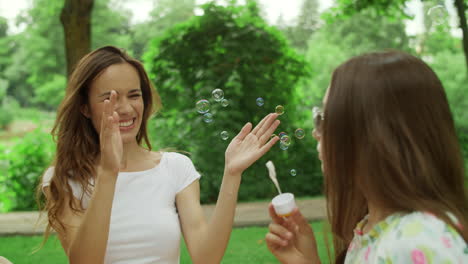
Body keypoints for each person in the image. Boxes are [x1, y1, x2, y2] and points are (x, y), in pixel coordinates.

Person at [38, 46, 281, 264]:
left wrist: (232, 173)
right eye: (109, 98)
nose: (125, 108)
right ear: (85, 108)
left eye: (134, 95)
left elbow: (206, 258)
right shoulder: (63, 178)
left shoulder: (176, 168)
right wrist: (109, 173)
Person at [265, 50, 468, 263]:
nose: (316, 132)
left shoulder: (419, 240)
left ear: (372, 137)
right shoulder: (374, 227)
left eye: (325, 119)